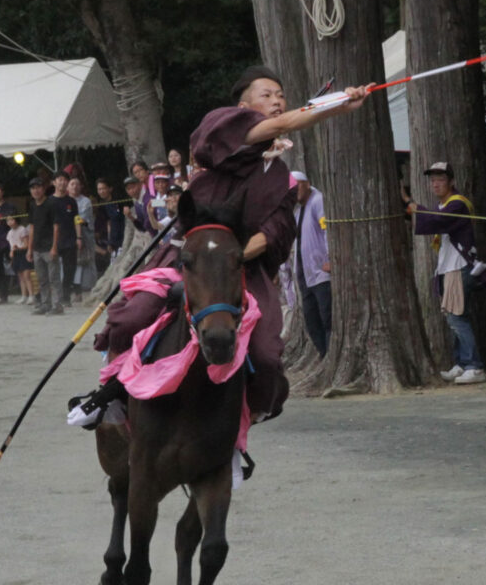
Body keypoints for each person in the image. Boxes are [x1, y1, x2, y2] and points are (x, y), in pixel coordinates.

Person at [75, 64, 373, 428]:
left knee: (266, 355)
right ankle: (112, 396)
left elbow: (275, 232)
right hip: (189, 256)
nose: (277, 101)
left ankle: (236, 427)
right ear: (243, 106)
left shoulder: (282, 179)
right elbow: (279, 125)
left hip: (244, 269)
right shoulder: (224, 124)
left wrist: (230, 258)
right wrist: (335, 105)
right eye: (267, 95)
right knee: (133, 316)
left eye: (281, 96)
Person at [405, 162, 486, 385]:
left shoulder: (458, 203)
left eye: (440, 179)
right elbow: (434, 219)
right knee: (455, 316)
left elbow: (437, 221)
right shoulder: (442, 205)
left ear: (451, 181)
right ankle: (461, 363)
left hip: (459, 266)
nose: (436, 184)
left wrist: (416, 207)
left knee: (457, 317)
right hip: (448, 267)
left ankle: (475, 366)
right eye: (433, 180)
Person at [290, 171, 332, 357]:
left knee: (327, 316)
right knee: (311, 320)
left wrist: (330, 257)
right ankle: (324, 354)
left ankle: (330, 354)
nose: (294, 191)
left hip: (321, 272)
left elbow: (327, 229)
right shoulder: (298, 211)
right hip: (305, 275)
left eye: (297, 185)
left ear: (306, 184)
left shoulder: (317, 201)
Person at [26, 176, 63, 315]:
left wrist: (54, 247)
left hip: (49, 247)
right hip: (37, 247)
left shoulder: (51, 204)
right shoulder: (32, 205)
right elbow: (32, 227)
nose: (36, 191)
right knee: (42, 279)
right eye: (33, 188)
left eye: (38, 187)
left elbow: (56, 226)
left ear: (43, 189)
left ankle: (57, 305)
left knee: (54, 278)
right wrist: (29, 249)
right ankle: (45, 304)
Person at [49, 171, 80, 306]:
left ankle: (66, 297)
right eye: (59, 179)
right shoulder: (49, 201)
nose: (62, 182)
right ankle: (53, 297)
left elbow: (76, 219)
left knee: (69, 270)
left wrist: (79, 237)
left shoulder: (71, 201)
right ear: (54, 182)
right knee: (52, 270)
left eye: (64, 180)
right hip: (52, 240)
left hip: (69, 239)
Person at [69, 175, 98, 293]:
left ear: (81, 187)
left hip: (85, 234)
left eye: (77, 184)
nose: (75, 186)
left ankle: (90, 286)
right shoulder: (65, 200)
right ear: (67, 187)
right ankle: (74, 288)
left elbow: (81, 218)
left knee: (87, 261)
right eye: (72, 184)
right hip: (69, 236)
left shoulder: (85, 201)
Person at [6, 214, 34, 304]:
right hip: (16, 254)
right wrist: (11, 252)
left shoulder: (22, 229)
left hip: (23, 254)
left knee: (27, 276)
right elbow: (11, 245)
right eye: (8, 220)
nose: (9, 222)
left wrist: (18, 248)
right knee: (20, 277)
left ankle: (31, 296)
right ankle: (24, 296)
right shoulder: (9, 233)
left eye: (11, 219)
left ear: (16, 220)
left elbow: (26, 244)